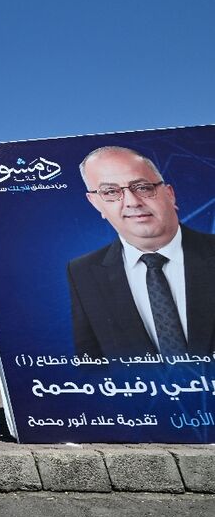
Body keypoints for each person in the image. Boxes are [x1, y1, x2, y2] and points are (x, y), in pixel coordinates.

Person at [67, 146, 215, 359]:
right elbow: (92, 365)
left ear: (170, 194)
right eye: (110, 192)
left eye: (143, 187)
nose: (132, 201)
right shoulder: (82, 272)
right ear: (95, 203)